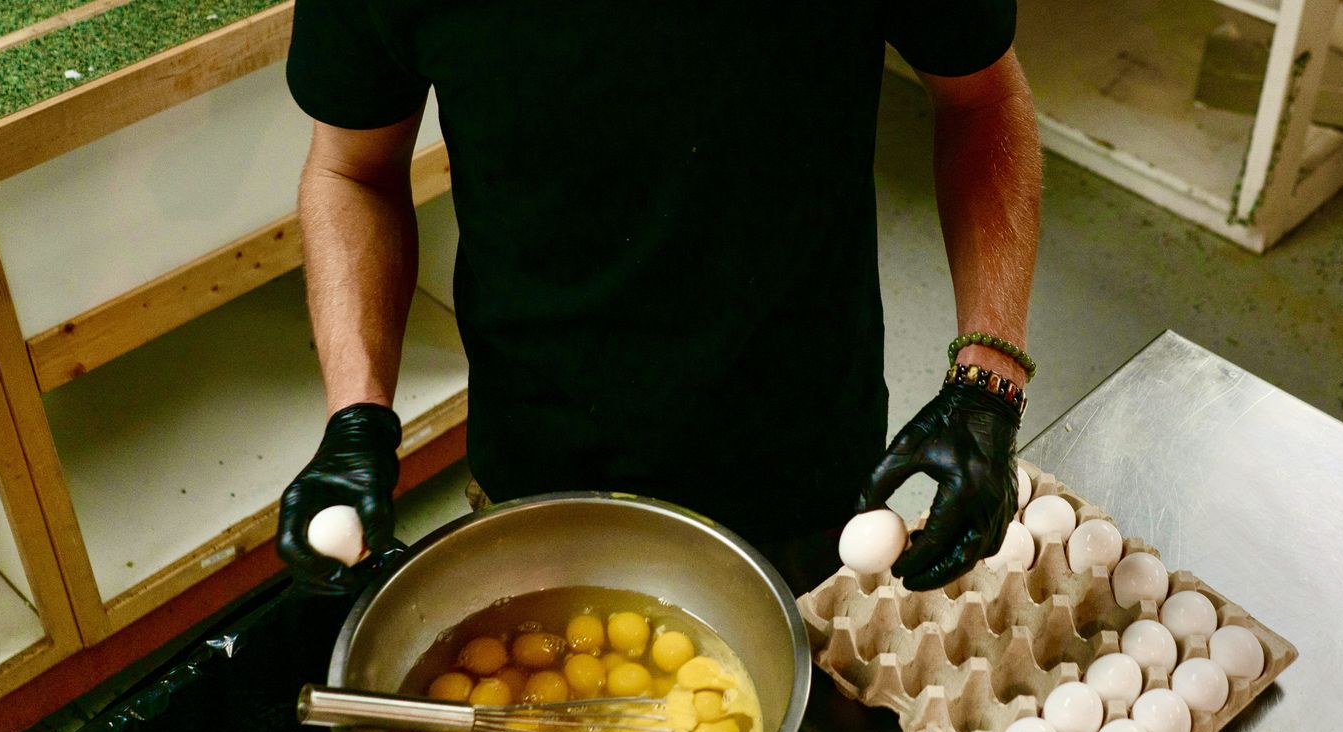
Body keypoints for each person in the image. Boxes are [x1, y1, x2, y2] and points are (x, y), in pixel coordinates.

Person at [276, 1, 1041, 596]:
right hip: (538, 470)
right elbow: (352, 171)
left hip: (799, 462)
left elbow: (981, 100)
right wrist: (358, 416)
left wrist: (989, 378)